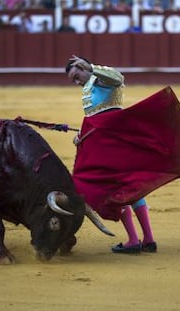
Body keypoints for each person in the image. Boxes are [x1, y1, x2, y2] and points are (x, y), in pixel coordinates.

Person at [65, 55, 157, 254]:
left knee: (113, 188)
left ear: (83, 67)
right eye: (73, 80)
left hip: (112, 143)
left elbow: (118, 79)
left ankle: (134, 239)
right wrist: (82, 136)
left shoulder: (101, 78)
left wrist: (91, 67)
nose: (77, 82)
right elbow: (95, 119)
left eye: (77, 75)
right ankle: (148, 239)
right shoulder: (90, 86)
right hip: (106, 141)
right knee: (130, 186)